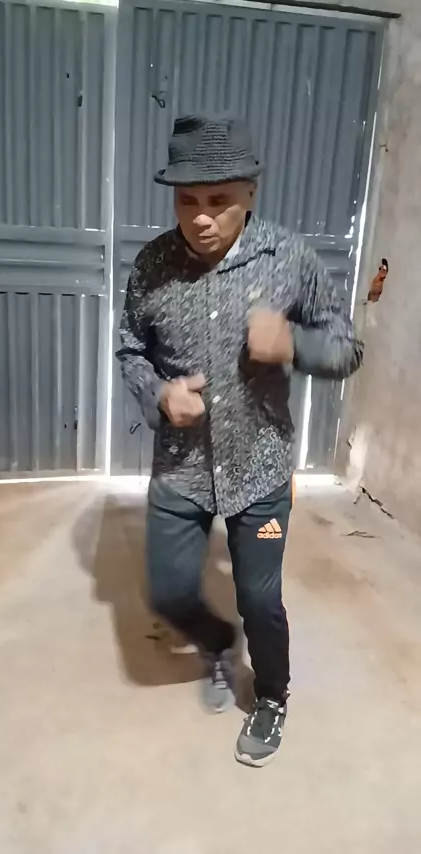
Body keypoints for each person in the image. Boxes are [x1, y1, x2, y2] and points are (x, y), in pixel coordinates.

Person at [116, 115, 363, 767]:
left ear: (250, 192)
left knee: (260, 598)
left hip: (260, 465)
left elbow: (347, 347)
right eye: (187, 201)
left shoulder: (290, 259)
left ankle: (273, 695)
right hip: (181, 467)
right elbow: (130, 349)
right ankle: (217, 643)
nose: (200, 218)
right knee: (169, 593)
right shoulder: (152, 265)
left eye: (218, 200)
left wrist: (295, 343)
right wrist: (158, 395)